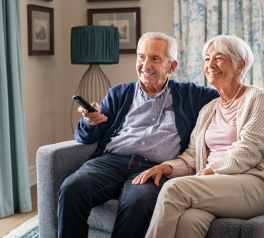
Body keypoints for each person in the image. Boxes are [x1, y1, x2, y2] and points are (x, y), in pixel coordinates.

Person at [58, 32, 219, 238]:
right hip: (111, 162)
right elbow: (86, 137)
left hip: (154, 170)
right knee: (72, 188)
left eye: (154, 58)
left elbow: (230, 93)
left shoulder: (192, 95)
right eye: (141, 57)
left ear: (172, 66)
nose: (145, 64)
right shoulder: (118, 93)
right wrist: (89, 121)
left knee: (139, 202)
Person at [133, 35, 264, 238]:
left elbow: (249, 152)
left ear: (240, 65)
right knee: (188, 221)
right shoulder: (209, 109)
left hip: (253, 183)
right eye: (207, 58)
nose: (210, 64)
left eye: (219, 58)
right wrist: (163, 167)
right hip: (215, 184)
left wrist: (209, 171)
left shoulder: (257, 98)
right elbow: (193, 157)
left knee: (173, 189)